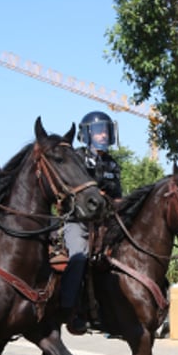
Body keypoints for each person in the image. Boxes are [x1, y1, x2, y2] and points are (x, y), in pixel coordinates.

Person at [60, 110, 122, 334]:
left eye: (105, 131)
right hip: (79, 221)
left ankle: (111, 313)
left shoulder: (113, 164)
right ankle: (68, 308)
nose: (103, 135)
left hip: (106, 223)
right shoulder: (76, 158)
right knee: (79, 256)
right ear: (87, 135)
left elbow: (119, 197)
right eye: (98, 132)